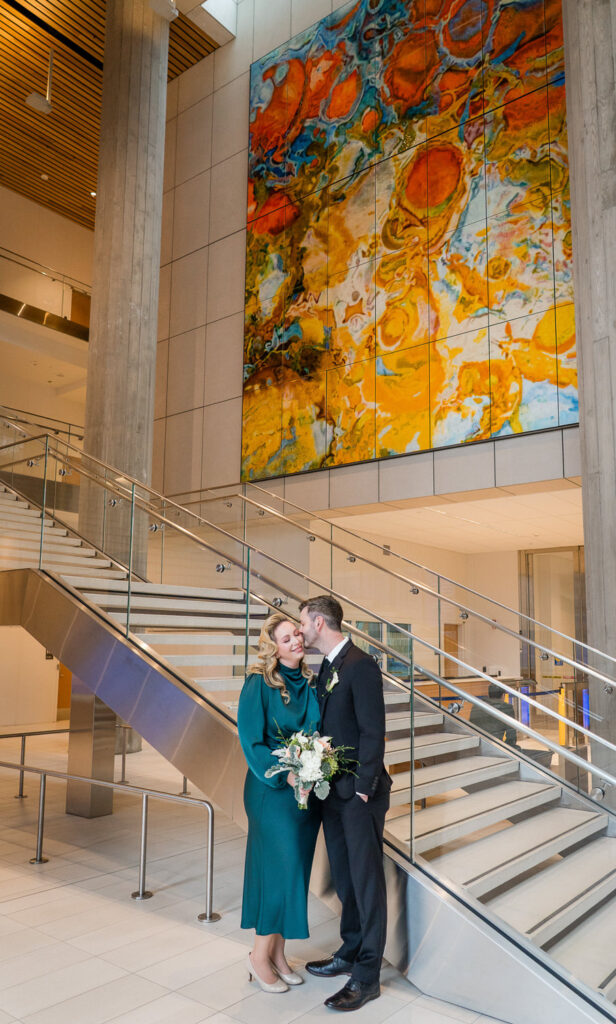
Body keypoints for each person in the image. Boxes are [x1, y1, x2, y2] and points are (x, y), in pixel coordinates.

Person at [298, 595, 391, 1012]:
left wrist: (363, 788)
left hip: (357, 794)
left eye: (302, 624)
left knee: (367, 883)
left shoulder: (361, 665)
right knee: (347, 880)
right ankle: (350, 951)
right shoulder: (328, 668)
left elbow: (374, 731)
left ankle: (367, 976)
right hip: (331, 793)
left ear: (319, 622)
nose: (300, 631)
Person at [237, 612, 320, 993]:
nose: (296, 642)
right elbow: (251, 741)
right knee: (277, 871)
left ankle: (279, 955)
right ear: (273, 647)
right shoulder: (258, 684)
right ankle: (258, 957)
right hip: (270, 790)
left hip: (304, 791)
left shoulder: (309, 681)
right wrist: (283, 772)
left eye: (297, 635)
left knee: (295, 872)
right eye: (287, 639)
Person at [469, 682, 518, 747]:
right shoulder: (506, 708)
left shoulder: (477, 705)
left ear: (489, 695)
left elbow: (471, 726)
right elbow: (511, 735)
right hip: (495, 746)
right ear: (503, 695)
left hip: (477, 744)